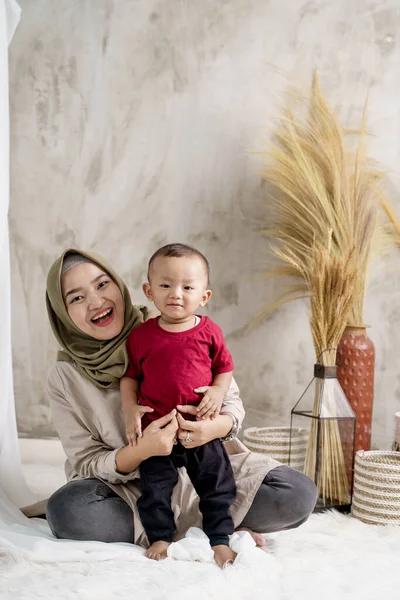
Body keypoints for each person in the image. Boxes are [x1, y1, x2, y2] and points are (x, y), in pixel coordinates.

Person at [44, 248, 317, 564]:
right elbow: (85, 460)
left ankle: (190, 526)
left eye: (102, 284)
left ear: (118, 285)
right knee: (67, 511)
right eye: (76, 298)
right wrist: (142, 450)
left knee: (297, 493)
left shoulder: (173, 323)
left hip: (203, 466)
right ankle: (212, 526)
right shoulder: (64, 375)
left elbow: (230, 402)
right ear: (61, 312)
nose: (96, 301)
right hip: (132, 490)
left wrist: (211, 428)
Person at [120, 244, 236, 566]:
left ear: (204, 296)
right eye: (166, 285)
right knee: (155, 488)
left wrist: (217, 390)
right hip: (159, 433)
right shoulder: (141, 337)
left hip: (200, 428)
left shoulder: (209, 332)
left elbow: (224, 369)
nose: (176, 294)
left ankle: (220, 538)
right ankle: (160, 534)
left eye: (188, 287)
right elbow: (130, 377)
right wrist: (130, 408)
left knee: (217, 484)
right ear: (149, 291)